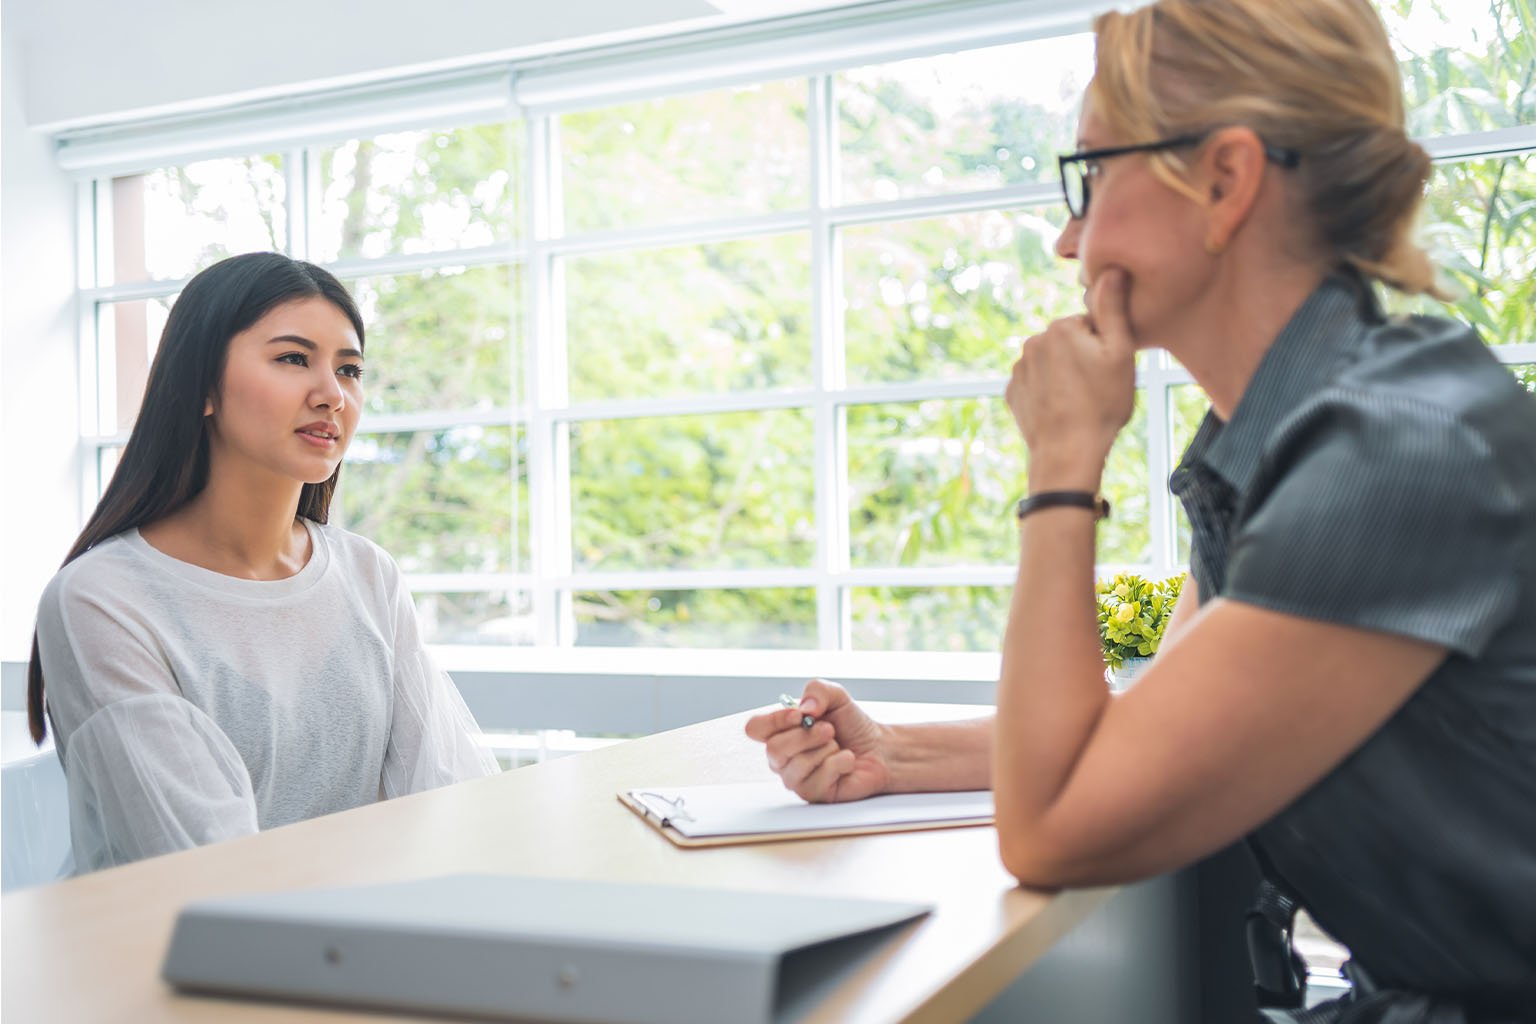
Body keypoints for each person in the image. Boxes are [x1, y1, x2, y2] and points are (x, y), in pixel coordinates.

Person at [747, 0, 1536, 1019]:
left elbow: (1057, 828)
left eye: (1093, 174)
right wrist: (893, 752)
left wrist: (1064, 466)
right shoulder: (1298, 442)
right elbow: (1149, 737)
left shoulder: (1394, 456)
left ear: (1224, 180)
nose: (1070, 238)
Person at [26, 252, 498, 875]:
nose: (332, 395)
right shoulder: (102, 599)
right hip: (166, 958)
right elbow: (200, 864)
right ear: (201, 389)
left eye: (350, 369)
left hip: (358, 943)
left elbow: (446, 793)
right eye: (293, 358)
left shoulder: (367, 575)